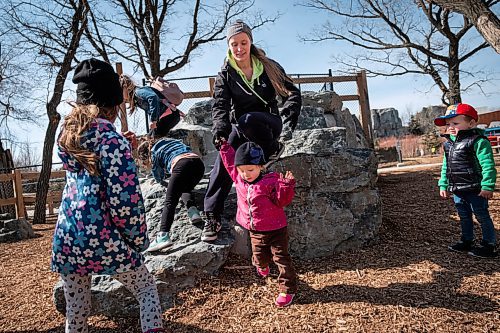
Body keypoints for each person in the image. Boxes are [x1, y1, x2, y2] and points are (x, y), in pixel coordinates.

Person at [51, 58, 165, 332]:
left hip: (68, 239)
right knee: (146, 289)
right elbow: (124, 201)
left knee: (76, 311)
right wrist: (138, 239)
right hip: (108, 240)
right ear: (114, 105)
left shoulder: (68, 138)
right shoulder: (113, 142)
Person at [202, 19, 302, 242]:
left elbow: (291, 93)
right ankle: (212, 215)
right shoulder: (225, 75)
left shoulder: (269, 66)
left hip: (269, 124)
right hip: (242, 127)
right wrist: (220, 133)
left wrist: (289, 116)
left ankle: (272, 149)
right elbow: (220, 104)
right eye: (234, 44)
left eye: (243, 42)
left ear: (250, 42)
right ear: (229, 46)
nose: (239, 48)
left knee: (248, 119)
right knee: (225, 158)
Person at [219, 140, 297, 307]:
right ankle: (262, 265)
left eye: (250, 170)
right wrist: (224, 147)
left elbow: (282, 201)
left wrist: (286, 185)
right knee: (259, 258)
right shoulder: (239, 179)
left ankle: (288, 289)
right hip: (255, 230)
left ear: (261, 167)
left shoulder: (270, 181)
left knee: (281, 258)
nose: (246, 174)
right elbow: (229, 162)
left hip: (276, 229)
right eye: (242, 170)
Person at [435, 103, 498, 258]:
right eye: (448, 124)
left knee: (481, 215)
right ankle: (467, 240)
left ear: (471, 123)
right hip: (458, 188)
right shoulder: (448, 144)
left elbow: (488, 165)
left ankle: (489, 244)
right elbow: (446, 166)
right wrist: (443, 184)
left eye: (455, 123)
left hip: (475, 188)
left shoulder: (478, 141)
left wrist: (488, 186)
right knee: (464, 216)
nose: (450, 127)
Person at [137, 138, 205, 252]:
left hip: (181, 164)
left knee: (170, 202)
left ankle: (163, 236)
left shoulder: (154, 151)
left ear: (146, 156)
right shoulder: (170, 141)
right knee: (184, 188)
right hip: (198, 164)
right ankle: (193, 212)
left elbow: (158, 175)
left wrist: (163, 183)